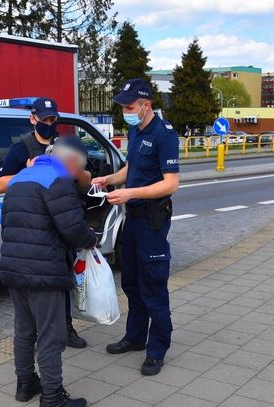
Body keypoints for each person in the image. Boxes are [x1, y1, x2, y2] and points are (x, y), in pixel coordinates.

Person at [0, 136, 99, 407]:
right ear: (71, 161)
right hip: (44, 270)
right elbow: (72, 228)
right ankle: (53, 397)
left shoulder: (19, 178)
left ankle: (25, 384)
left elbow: (8, 222)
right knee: (50, 335)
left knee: (24, 330)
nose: (80, 175)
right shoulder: (59, 181)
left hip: (13, 267)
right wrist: (91, 238)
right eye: (80, 169)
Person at [92, 78, 179, 376]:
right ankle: (135, 337)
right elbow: (133, 168)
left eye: (129, 106)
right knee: (130, 280)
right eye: (123, 106)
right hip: (133, 219)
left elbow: (171, 183)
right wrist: (110, 180)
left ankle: (157, 349)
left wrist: (130, 193)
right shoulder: (135, 128)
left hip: (153, 221)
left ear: (146, 105)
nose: (125, 111)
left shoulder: (164, 134)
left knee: (153, 284)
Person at [0, 97, 90, 349]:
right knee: (39, 289)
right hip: (36, 227)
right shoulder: (22, 148)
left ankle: (66, 327)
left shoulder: (65, 144)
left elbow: (86, 179)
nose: (49, 123)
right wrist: (28, 170)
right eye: (44, 119)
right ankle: (43, 335)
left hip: (62, 221)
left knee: (64, 278)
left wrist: (78, 171)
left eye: (52, 119)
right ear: (32, 119)